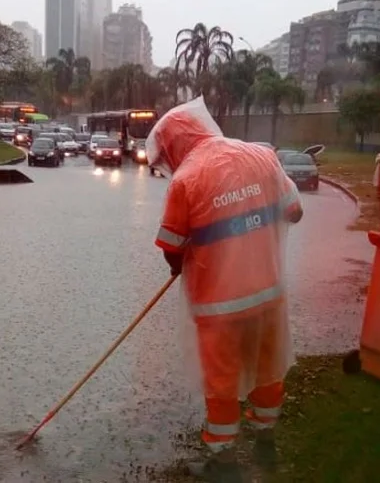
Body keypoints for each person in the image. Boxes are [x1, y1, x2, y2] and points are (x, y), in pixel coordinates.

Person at [146, 96, 303, 481]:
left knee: (221, 381)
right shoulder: (261, 156)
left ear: (174, 147)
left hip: (219, 308)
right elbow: (294, 211)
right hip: (268, 294)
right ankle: (266, 437)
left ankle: (223, 459)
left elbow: (171, 249)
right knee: (268, 367)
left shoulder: (187, 179)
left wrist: (184, 263)